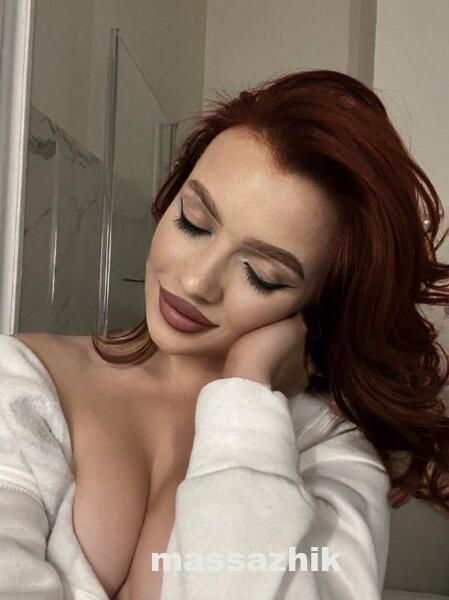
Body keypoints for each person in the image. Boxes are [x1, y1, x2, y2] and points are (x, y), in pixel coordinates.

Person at [0, 69, 448, 600]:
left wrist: (247, 389)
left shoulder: (328, 451)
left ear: (316, 305)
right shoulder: (22, 381)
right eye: (193, 221)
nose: (196, 281)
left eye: (263, 275)